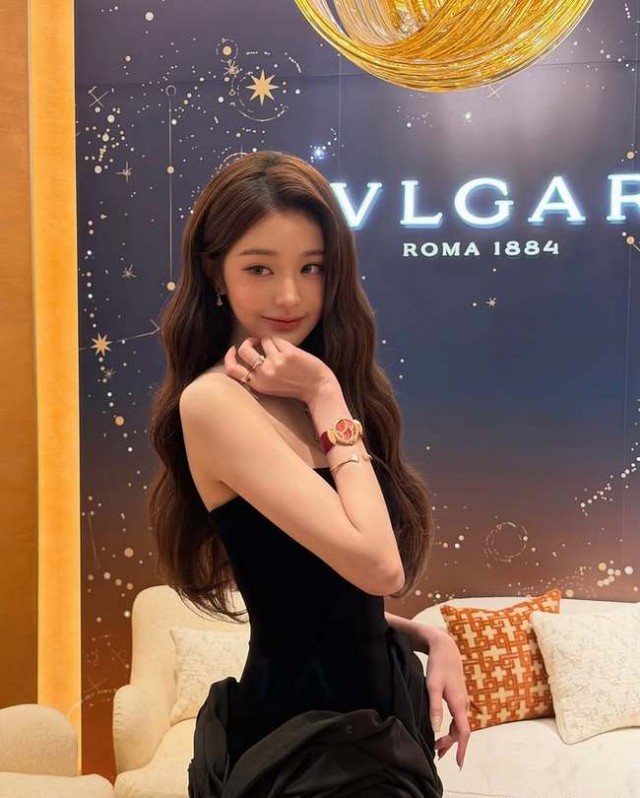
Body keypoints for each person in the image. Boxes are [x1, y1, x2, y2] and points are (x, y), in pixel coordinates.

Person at [149, 151, 470, 797]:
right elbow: (381, 569)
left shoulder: (308, 390)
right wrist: (326, 394)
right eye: (259, 268)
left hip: (380, 715)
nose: (290, 296)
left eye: (312, 267)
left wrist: (431, 638)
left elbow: (320, 597)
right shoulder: (216, 402)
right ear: (215, 272)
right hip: (304, 743)